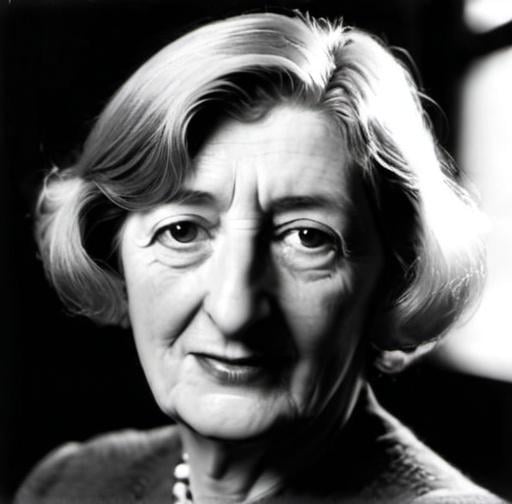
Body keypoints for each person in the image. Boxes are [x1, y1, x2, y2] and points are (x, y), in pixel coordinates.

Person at [15, 11, 505, 504]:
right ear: (112, 250)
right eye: (182, 231)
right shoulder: (70, 483)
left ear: (395, 276)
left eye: (307, 238)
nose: (235, 311)